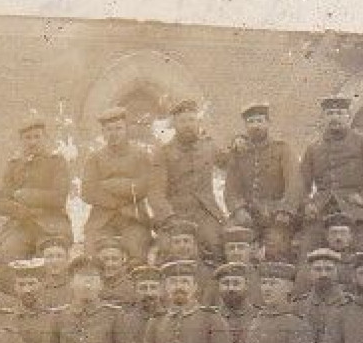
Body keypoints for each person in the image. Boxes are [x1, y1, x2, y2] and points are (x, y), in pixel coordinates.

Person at [296, 96, 363, 254]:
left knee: (361, 254)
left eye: (340, 113)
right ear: (323, 117)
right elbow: (301, 182)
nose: (335, 117)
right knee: (307, 254)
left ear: (348, 117)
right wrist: (307, 203)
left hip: (355, 212)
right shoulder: (313, 148)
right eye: (330, 113)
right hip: (321, 211)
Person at [81, 105, 165, 262]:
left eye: (118, 129)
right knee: (92, 254)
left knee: (136, 250)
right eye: (109, 130)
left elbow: (144, 186)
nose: (114, 134)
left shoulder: (140, 155)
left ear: (126, 129)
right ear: (103, 133)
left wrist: (111, 184)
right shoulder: (94, 158)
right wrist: (119, 199)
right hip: (101, 219)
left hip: (133, 218)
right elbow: (87, 192)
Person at [221, 101, 298, 260]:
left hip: (276, 214)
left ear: (268, 123)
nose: (255, 126)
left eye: (260, 121)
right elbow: (231, 189)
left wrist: (285, 210)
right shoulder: (239, 152)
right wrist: (238, 209)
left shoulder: (282, 149)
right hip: (247, 214)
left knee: (275, 247)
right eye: (251, 122)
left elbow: (294, 183)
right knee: (229, 240)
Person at [153, 98, 226, 256]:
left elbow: (230, 163)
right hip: (175, 213)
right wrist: (168, 217)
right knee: (168, 249)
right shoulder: (164, 153)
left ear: (198, 123)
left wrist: (239, 141)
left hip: (205, 212)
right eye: (182, 121)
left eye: (192, 120)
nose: (188, 125)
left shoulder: (209, 146)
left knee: (216, 244)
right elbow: (156, 193)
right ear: (175, 124)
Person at [0, 114, 73, 260]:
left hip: (51, 224)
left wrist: (25, 195)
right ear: (21, 141)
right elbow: (1, 203)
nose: (32, 142)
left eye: (37, 137)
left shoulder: (56, 162)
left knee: (51, 256)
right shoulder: (13, 165)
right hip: (20, 225)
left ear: (45, 138)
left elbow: (58, 198)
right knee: (8, 253)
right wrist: (20, 210)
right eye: (28, 138)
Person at [35, 235, 74, 310]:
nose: (54, 261)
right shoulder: (37, 288)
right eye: (49, 257)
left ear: (68, 259)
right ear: (42, 260)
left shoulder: (74, 286)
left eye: (59, 256)